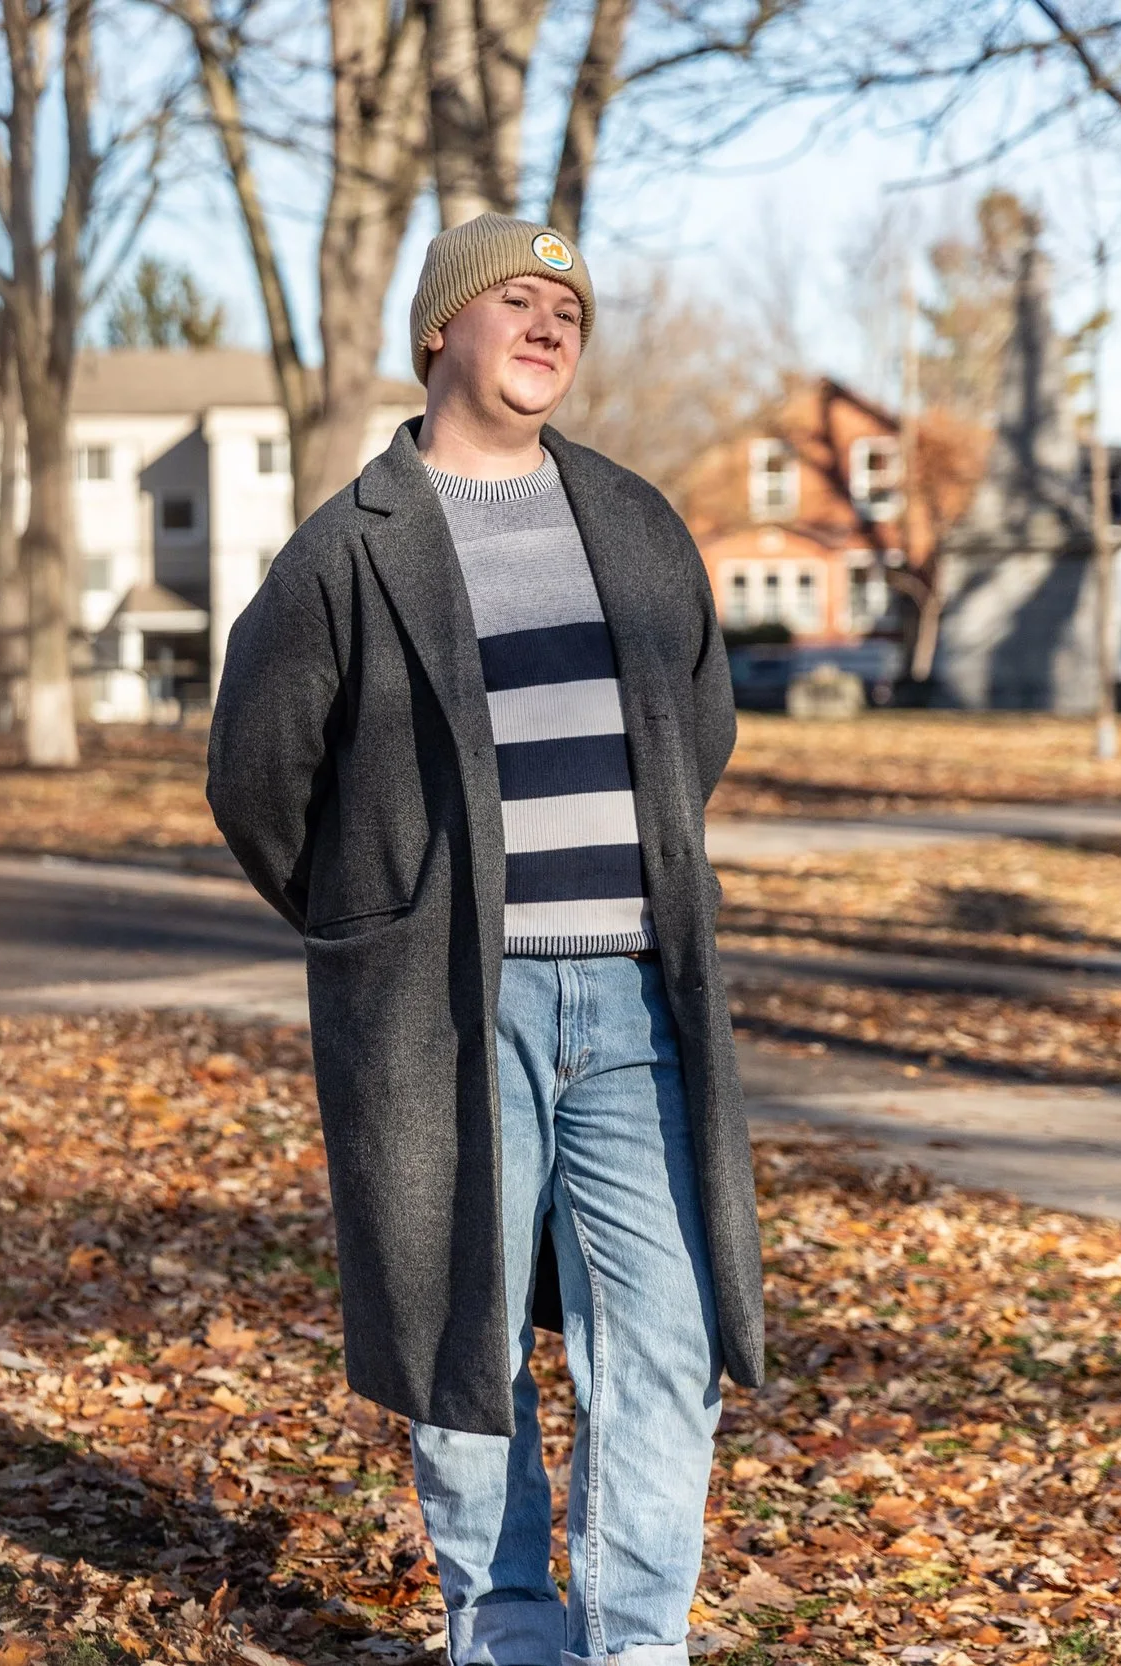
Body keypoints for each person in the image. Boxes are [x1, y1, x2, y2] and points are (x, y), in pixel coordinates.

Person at [206, 213, 763, 1666]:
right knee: (466, 1339)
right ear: (440, 330)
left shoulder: (636, 522)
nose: (549, 323)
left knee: (667, 1336)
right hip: (452, 1010)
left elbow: (693, 728)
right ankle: (511, 1630)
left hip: (640, 1002)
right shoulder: (347, 549)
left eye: (567, 306)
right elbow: (257, 776)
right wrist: (381, 921)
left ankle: (636, 1642)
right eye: (516, 298)